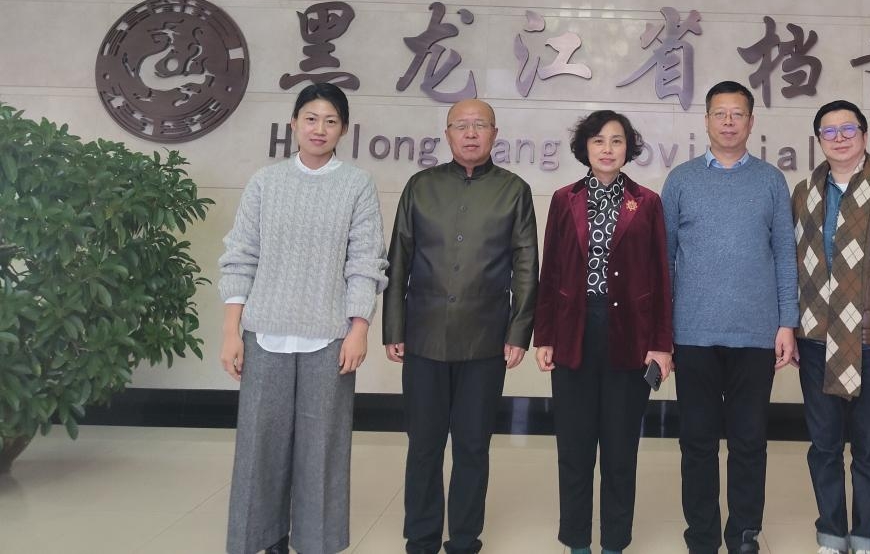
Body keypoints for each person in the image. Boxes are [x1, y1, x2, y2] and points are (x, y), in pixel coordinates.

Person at [218, 82, 388, 554]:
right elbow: (240, 256)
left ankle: (318, 542)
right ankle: (262, 540)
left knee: (323, 451)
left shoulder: (356, 184)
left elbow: (365, 262)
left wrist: (359, 329)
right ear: (293, 123)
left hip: (328, 339)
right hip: (264, 334)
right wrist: (231, 331)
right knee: (259, 448)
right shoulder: (265, 182)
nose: (319, 128)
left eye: (331, 121)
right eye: (311, 118)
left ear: (344, 130)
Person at [382, 98, 539, 554]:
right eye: (462, 125)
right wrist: (394, 327)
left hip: (485, 340)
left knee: (473, 445)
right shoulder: (420, 186)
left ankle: (466, 539)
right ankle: (421, 538)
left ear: (495, 134)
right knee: (424, 445)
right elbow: (399, 259)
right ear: (447, 133)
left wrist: (518, 331)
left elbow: (526, 265)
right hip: (424, 335)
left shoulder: (514, 190)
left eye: (480, 125)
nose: (471, 133)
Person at [661, 80, 798, 554]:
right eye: (719, 113)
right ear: (706, 121)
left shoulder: (771, 181)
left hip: (755, 334)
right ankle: (701, 538)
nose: (728, 122)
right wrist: (663, 331)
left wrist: (787, 322)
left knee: (749, 442)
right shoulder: (681, 180)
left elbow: (785, 255)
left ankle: (743, 535)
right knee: (697, 443)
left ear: (751, 122)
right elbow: (664, 258)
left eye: (737, 114)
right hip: (693, 333)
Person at [533, 109, 674, 554]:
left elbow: (661, 275)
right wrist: (545, 336)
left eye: (616, 141)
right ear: (585, 148)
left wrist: (661, 345)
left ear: (628, 149)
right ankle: (577, 541)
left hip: (631, 338)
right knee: (574, 450)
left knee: (619, 451)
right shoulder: (565, 199)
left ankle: (614, 541)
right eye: (598, 141)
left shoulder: (647, 202)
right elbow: (551, 271)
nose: (607, 149)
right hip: (573, 333)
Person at [790, 99, 870, 554]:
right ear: (819, 141)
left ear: (865, 135)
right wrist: (789, 326)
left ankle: (865, 535)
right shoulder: (804, 192)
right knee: (824, 446)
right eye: (829, 132)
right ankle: (831, 533)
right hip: (815, 338)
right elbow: (791, 265)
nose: (840, 138)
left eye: (848, 129)